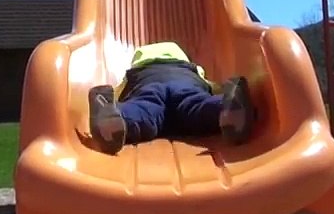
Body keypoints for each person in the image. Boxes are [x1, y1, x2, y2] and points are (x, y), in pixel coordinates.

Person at [88, 41, 255, 154]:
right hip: (184, 81)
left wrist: (112, 102)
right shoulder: (194, 69)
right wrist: (224, 93)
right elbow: (211, 86)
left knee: (143, 110)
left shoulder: (134, 73)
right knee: (198, 105)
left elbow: (119, 91)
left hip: (148, 82)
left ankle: (116, 119)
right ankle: (225, 108)